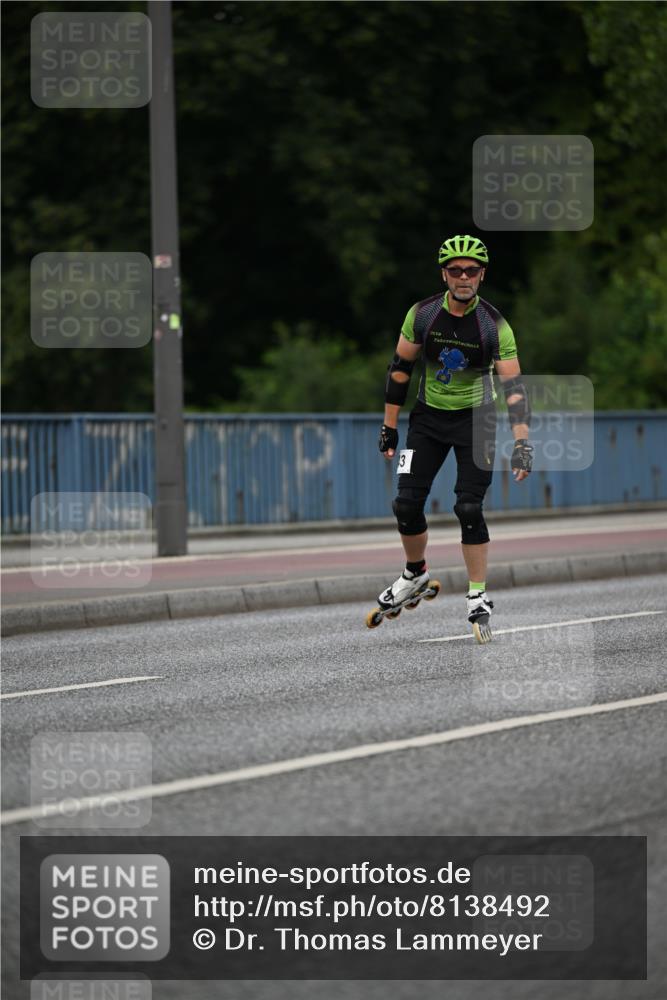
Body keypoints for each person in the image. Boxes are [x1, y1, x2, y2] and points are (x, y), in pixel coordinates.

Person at [377, 234, 532, 643]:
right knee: (405, 503)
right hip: (427, 419)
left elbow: (514, 389)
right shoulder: (422, 315)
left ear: (482, 275)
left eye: (472, 270)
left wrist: (522, 443)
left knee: (468, 507)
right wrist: (389, 427)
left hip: (477, 421)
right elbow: (399, 370)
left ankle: (477, 594)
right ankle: (415, 573)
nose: (464, 277)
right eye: (456, 270)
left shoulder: (494, 326)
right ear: (444, 274)